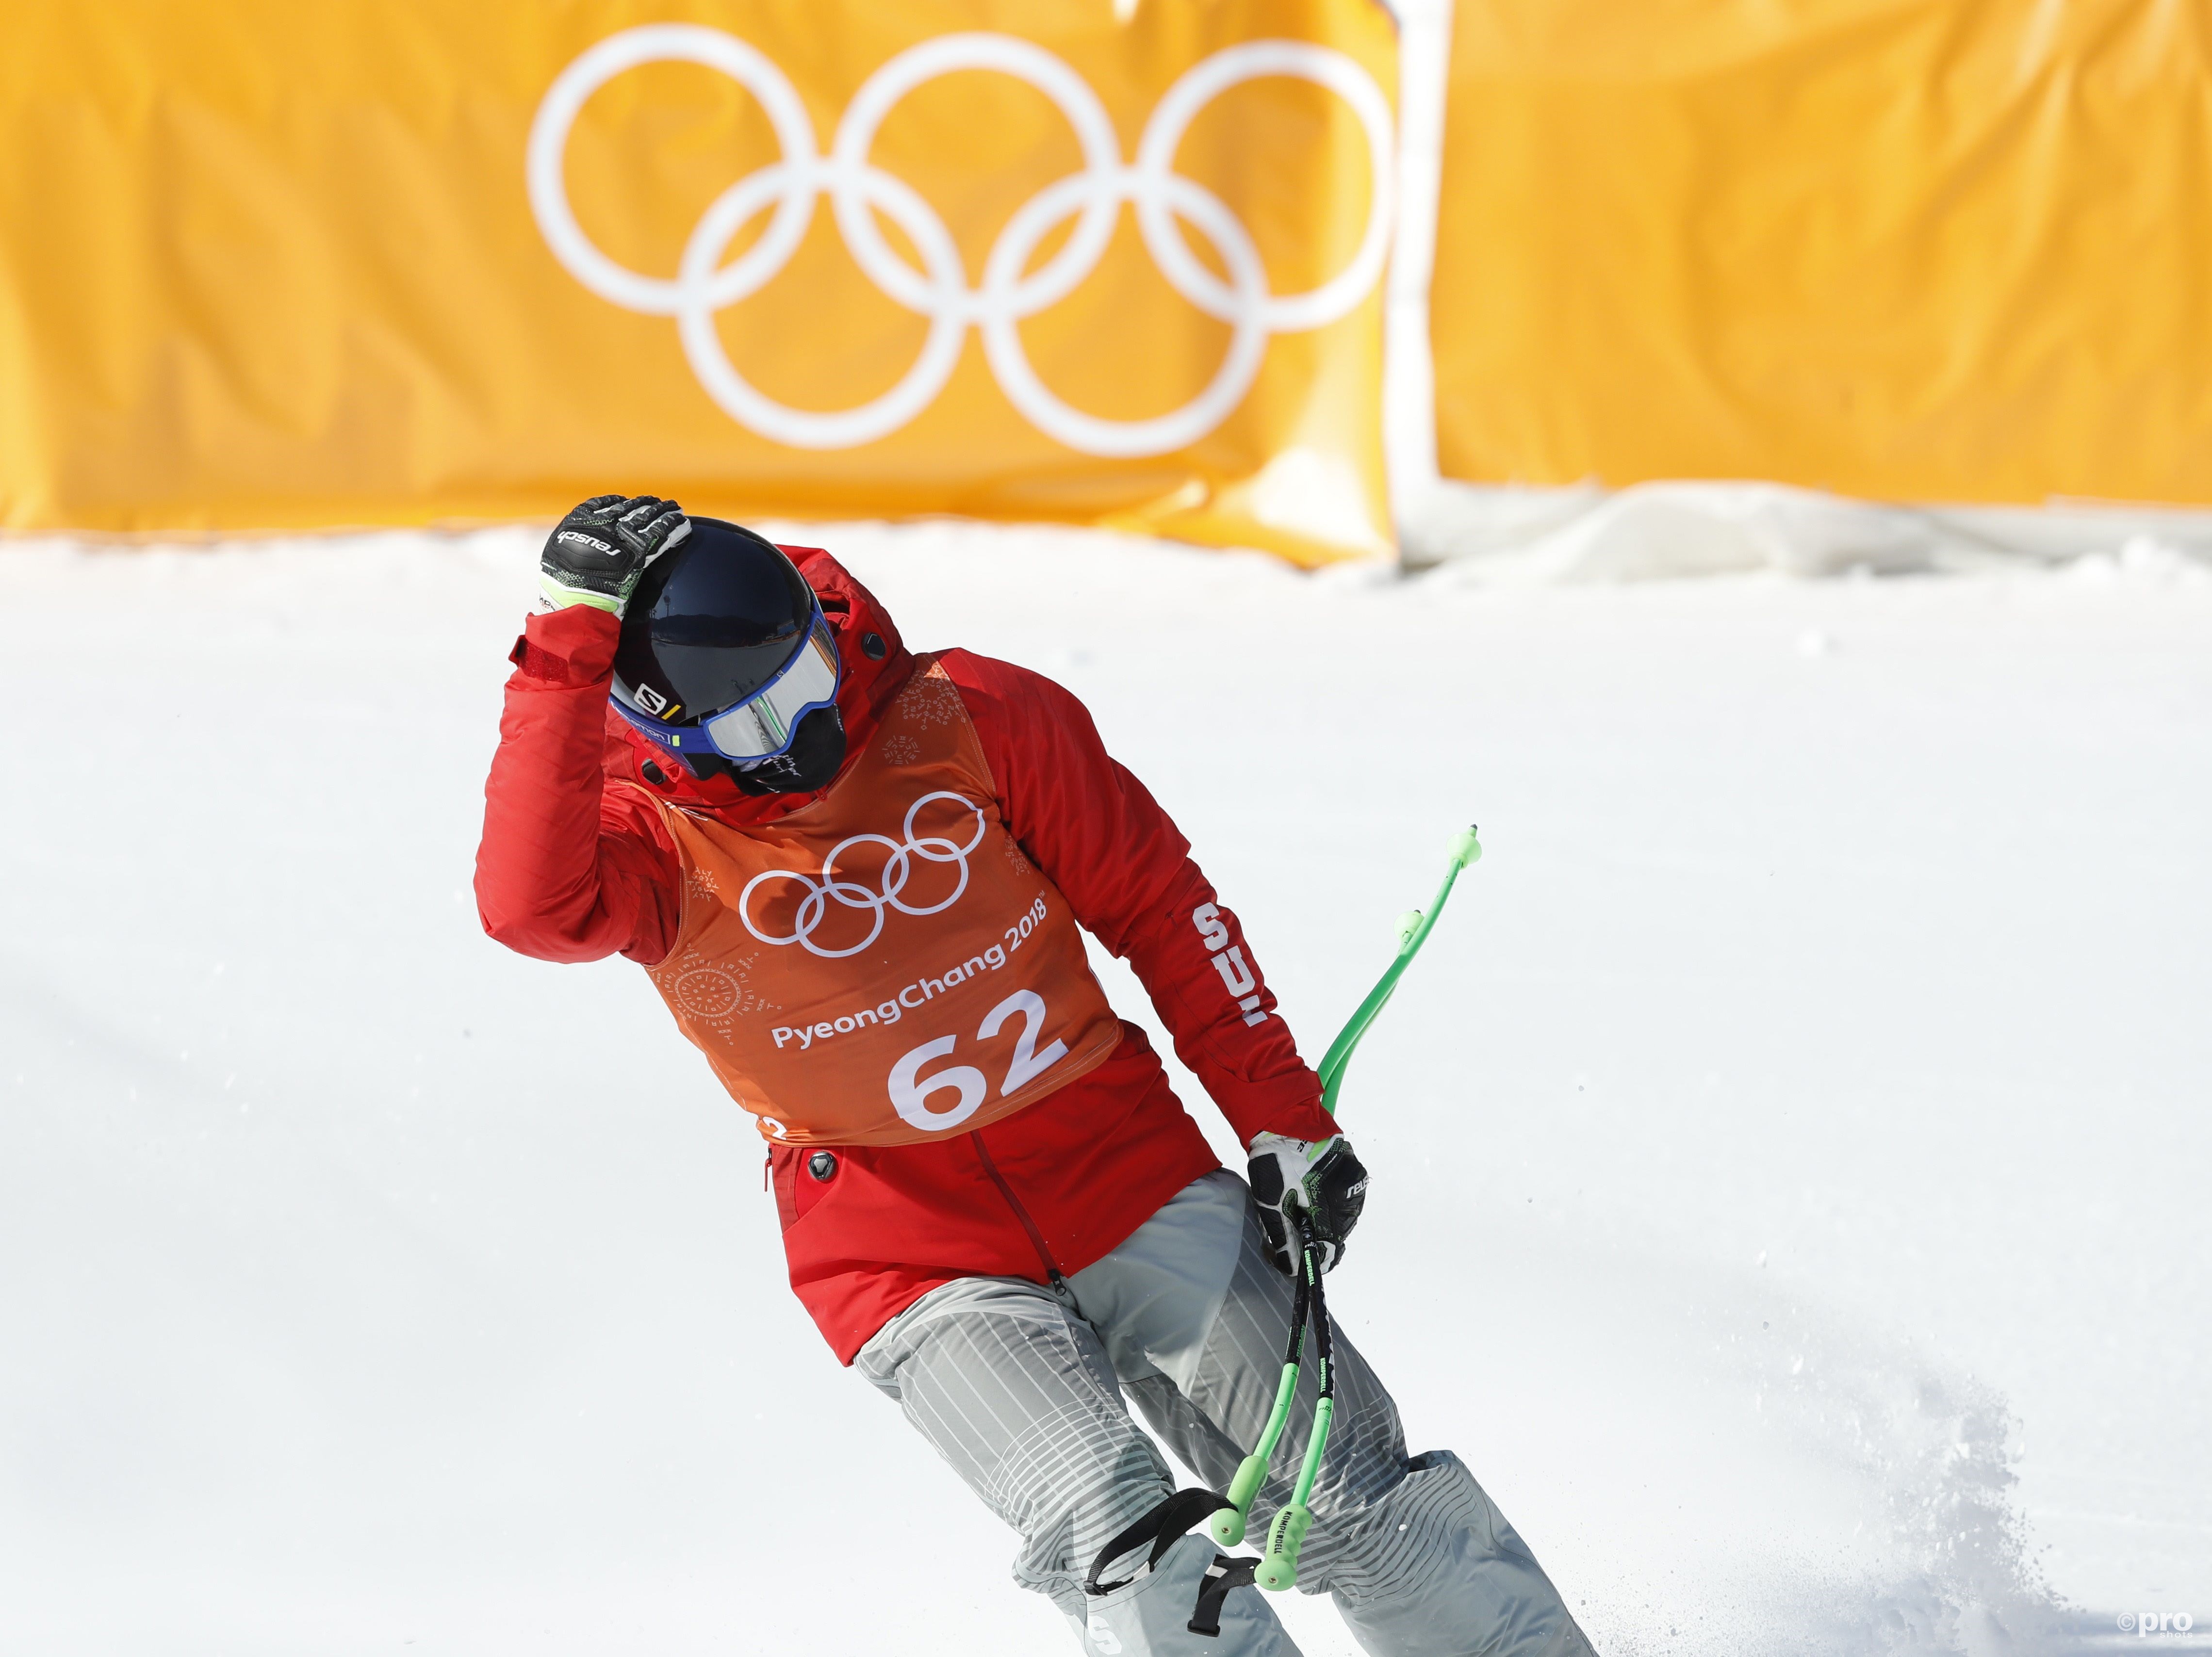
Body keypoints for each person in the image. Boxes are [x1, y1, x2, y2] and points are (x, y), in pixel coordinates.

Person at [475, 495, 1596, 1657]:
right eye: (758, 723)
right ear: (665, 731)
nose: (808, 727)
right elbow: (527, 908)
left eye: (808, 675)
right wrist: (564, 644)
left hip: (1133, 1176)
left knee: (1354, 1494)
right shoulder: (647, 838)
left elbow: (1164, 908)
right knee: (1116, 1534)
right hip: (908, 1260)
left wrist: (1283, 1122)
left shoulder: (967, 715)